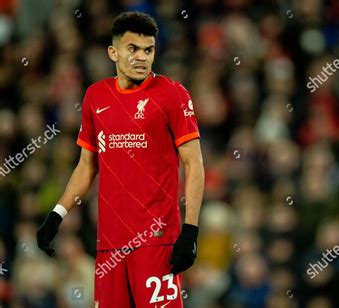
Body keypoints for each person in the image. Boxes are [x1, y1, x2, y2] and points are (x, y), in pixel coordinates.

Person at [36, 11, 205, 308]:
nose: (142, 57)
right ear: (113, 52)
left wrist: (190, 230)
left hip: (157, 241)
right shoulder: (95, 96)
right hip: (109, 245)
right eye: (133, 49)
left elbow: (194, 163)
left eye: (148, 50)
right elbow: (87, 166)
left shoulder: (172, 95)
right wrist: (57, 214)